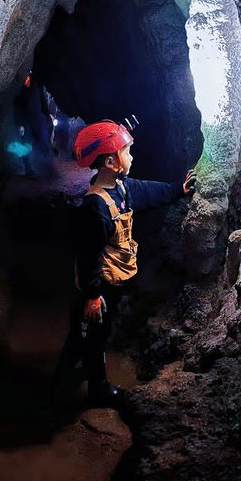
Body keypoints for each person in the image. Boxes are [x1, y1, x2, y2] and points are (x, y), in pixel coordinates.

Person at [69, 120, 196, 407]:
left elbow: (150, 192)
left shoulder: (122, 189)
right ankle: (96, 387)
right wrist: (91, 295)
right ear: (111, 161)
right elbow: (87, 255)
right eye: (127, 151)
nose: (132, 157)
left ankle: (75, 362)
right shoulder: (95, 207)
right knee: (94, 332)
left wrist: (178, 188)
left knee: (89, 330)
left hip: (111, 282)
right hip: (98, 284)